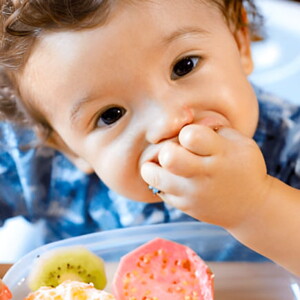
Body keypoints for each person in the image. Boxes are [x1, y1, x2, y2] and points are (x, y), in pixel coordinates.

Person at [0, 0, 299, 276]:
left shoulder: (288, 140)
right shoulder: (35, 160)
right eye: (110, 115)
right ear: (66, 147)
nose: (167, 121)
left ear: (240, 43)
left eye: (184, 67)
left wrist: (255, 204)